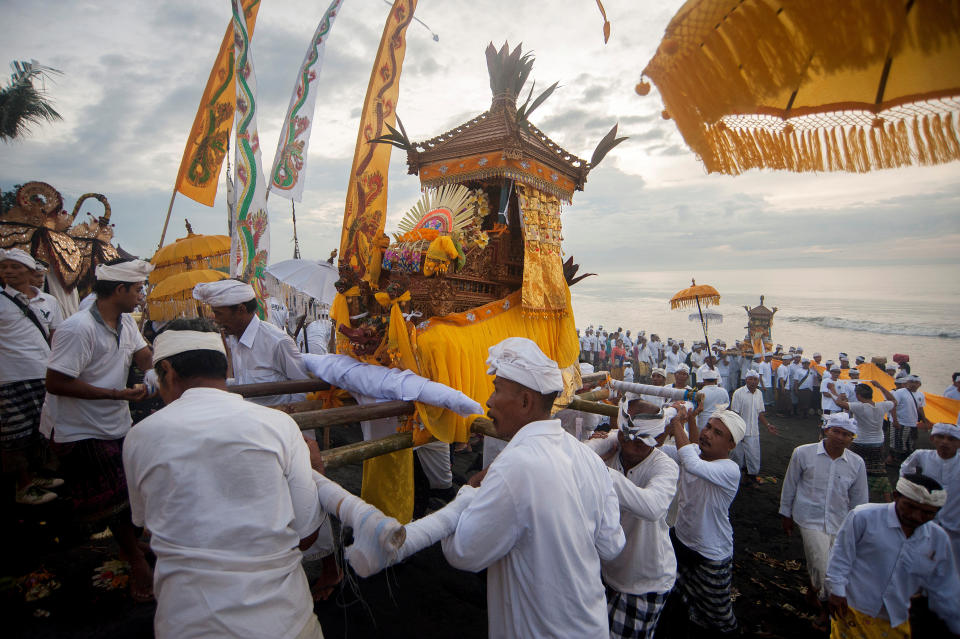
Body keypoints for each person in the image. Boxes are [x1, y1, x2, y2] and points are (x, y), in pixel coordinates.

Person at [123, 319, 328, 639]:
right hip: (283, 621)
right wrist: (316, 477)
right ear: (224, 366)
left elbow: (149, 526)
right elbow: (306, 535)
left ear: (168, 371)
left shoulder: (139, 437)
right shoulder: (279, 426)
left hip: (187, 624)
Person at [442, 337, 625, 638]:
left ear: (525, 401)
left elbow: (463, 552)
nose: (488, 401)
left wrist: (469, 491)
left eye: (496, 389)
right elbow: (612, 545)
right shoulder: (586, 458)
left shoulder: (516, 466)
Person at [40, 257, 155, 601]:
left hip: (116, 421)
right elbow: (56, 382)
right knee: (115, 500)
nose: (141, 295)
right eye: (137, 289)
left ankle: (131, 546)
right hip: (79, 428)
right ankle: (135, 559)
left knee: (131, 488)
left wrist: (150, 376)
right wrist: (116, 394)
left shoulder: (126, 322)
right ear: (118, 290)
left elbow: (143, 355)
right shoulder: (78, 328)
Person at [586, 399, 680, 639]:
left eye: (642, 437)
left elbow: (652, 506)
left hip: (646, 580)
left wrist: (596, 469)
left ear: (658, 439)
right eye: (627, 434)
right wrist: (593, 451)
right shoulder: (613, 443)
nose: (631, 441)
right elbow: (576, 455)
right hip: (608, 572)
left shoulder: (665, 467)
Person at [824, 473, 960, 637]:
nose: (916, 517)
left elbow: (946, 587)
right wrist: (837, 591)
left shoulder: (938, 540)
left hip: (896, 618)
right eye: (910, 507)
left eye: (927, 513)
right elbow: (841, 556)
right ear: (896, 497)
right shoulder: (864, 517)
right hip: (853, 610)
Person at [659, 407, 745, 637]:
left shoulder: (730, 469)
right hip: (682, 540)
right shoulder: (696, 452)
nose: (708, 434)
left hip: (710, 554)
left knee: (720, 618)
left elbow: (692, 464)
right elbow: (659, 450)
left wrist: (677, 422)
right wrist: (665, 425)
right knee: (675, 601)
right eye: (708, 427)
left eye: (717, 433)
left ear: (731, 445)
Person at [779, 413, 867, 630]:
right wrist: (786, 514)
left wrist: (858, 529)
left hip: (841, 521)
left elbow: (859, 500)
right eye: (836, 431)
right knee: (822, 566)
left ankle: (812, 592)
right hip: (809, 518)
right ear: (826, 430)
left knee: (835, 565)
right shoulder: (803, 453)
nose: (840, 437)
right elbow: (790, 484)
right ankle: (826, 611)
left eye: (846, 434)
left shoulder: (856, 463)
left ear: (851, 439)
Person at [0, 248, 64, 504]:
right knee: (15, 434)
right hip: (9, 377)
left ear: (30, 271)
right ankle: (23, 484)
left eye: (15, 267)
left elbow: (55, 336)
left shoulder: (49, 302)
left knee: (43, 428)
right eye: (4, 267)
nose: (8, 272)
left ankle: (39, 474)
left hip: (43, 373)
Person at [193, 280, 310, 408]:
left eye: (219, 314)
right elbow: (243, 382)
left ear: (241, 310)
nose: (216, 320)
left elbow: (303, 391)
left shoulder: (278, 342)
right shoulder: (235, 339)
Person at [900, 422, 960, 565]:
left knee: (953, 566)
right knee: (920, 563)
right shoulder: (922, 456)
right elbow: (905, 471)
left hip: (955, 524)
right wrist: (913, 491)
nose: (945, 442)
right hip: (925, 522)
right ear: (933, 439)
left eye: (951, 439)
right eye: (940, 437)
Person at [837, 381, 896, 501]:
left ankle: (849, 493)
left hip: (860, 442)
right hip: (878, 443)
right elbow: (894, 401)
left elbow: (839, 403)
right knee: (879, 470)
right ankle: (888, 501)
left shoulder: (859, 407)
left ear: (858, 396)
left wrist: (839, 395)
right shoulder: (882, 405)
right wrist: (880, 386)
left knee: (853, 467)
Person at [730, 369, 777, 485]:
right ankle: (735, 479)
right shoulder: (738, 393)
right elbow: (734, 414)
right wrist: (738, 431)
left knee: (754, 456)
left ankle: (751, 477)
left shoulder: (759, 394)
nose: (753, 382)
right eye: (750, 379)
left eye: (755, 379)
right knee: (737, 457)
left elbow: (759, 413)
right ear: (746, 380)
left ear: (758, 381)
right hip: (740, 431)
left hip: (754, 431)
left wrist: (768, 425)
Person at [891, 374, 930, 463]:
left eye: (916, 382)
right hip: (901, 423)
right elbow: (893, 406)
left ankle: (907, 462)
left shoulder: (921, 395)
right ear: (907, 383)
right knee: (898, 444)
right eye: (911, 382)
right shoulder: (900, 392)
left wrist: (924, 420)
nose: (913, 384)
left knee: (910, 444)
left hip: (912, 423)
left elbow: (920, 408)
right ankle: (897, 463)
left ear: (920, 384)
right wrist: (895, 420)